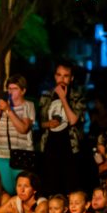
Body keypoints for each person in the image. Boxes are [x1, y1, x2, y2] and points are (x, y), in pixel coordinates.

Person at [38, 60, 86, 196]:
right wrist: (48, 124)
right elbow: (39, 123)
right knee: (50, 190)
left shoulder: (77, 97)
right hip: (49, 147)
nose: (62, 79)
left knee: (70, 191)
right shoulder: (46, 95)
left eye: (66, 76)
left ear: (71, 78)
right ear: (55, 76)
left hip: (70, 149)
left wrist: (63, 99)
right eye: (59, 75)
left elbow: (73, 120)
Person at [0, 74, 35, 194]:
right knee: (6, 191)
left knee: (23, 191)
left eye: (15, 89)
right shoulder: (1, 107)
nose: (11, 92)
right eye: (9, 88)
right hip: (0, 155)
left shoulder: (28, 106)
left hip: (22, 154)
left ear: (23, 91)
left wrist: (8, 110)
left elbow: (23, 129)